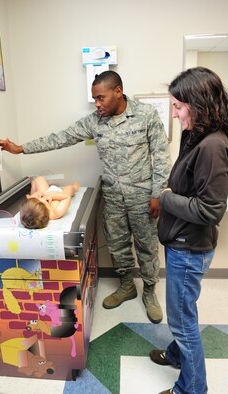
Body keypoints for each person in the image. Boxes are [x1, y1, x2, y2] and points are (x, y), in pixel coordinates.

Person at [0, 70, 171, 324]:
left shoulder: (146, 115)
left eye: (100, 98)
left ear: (118, 92)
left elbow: (161, 157)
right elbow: (61, 137)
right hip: (113, 195)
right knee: (118, 244)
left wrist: (157, 195)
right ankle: (126, 285)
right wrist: (21, 148)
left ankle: (150, 292)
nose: (97, 104)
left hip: (143, 196)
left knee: (147, 245)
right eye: (94, 99)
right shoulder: (95, 121)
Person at [149, 67, 228, 394]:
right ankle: (177, 356)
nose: (174, 112)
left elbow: (211, 209)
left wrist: (167, 198)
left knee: (182, 322)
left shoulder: (213, 146)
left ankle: (192, 389)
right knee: (184, 311)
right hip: (182, 241)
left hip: (189, 248)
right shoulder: (195, 135)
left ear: (198, 104)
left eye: (178, 106)